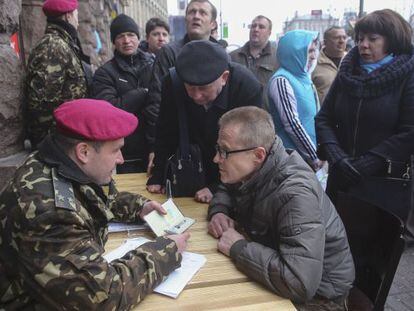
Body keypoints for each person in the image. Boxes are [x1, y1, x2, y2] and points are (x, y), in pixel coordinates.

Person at [0, 99, 190, 309]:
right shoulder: (50, 213)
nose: (121, 159)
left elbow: (92, 195)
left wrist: (139, 207)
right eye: (115, 150)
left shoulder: (55, 161)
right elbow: (104, 297)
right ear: (84, 152)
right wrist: (166, 251)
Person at [208, 106, 355, 310]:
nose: (217, 159)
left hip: (320, 300)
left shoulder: (295, 194)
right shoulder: (256, 167)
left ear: (258, 155)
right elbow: (227, 186)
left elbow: (299, 283)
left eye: (224, 151)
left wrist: (239, 247)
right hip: (282, 273)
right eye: (218, 149)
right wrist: (220, 211)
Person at [315, 9, 414, 240]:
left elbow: (410, 131)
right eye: (359, 39)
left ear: (392, 40)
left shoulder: (408, 74)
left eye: (372, 39)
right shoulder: (347, 72)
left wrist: (370, 161)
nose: (363, 45)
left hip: (384, 186)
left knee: (373, 262)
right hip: (343, 179)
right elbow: (324, 118)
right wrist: (337, 156)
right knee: (336, 253)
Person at [146, 40, 262, 203]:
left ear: (224, 78)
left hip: (232, 167)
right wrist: (158, 175)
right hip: (191, 165)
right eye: (190, 87)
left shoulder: (247, 87)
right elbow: (165, 130)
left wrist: (219, 188)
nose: (196, 95)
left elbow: (249, 149)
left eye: (203, 88)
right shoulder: (172, 83)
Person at [144, 0, 219, 174]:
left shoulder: (222, 55)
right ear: (185, 19)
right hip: (178, 143)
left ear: (213, 23)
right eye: (192, 12)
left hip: (213, 144)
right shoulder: (169, 53)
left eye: (202, 13)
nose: (196, 17)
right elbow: (156, 101)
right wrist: (155, 148)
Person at [93, 14, 153, 173]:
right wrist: (142, 93)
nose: (127, 41)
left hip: (155, 149)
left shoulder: (154, 66)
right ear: (113, 41)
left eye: (131, 35)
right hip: (126, 155)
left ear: (138, 38)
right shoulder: (104, 73)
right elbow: (108, 111)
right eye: (121, 36)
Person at [26, 0, 91, 148]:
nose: (78, 21)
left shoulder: (64, 44)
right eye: (76, 15)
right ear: (68, 16)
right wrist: (51, 144)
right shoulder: (53, 46)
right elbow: (42, 104)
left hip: (68, 138)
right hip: (58, 143)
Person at [268, 30, 322, 171]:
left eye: (314, 50)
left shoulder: (305, 78)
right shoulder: (281, 80)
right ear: (293, 52)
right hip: (290, 160)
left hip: (306, 159)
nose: (314, 55)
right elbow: (292, 124)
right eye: (309, 51)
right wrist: (314, 157)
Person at [230, 15, 278, 110]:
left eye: (261, 27)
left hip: (266, 116)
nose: (256, 29)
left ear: (269, 32)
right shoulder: (233, 57)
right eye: (253, 26)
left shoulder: (278, 57)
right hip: (239, 115)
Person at [312, 26, 347, 104]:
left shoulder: (353, 61)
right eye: (336, 38)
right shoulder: (313, 64)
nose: (341, 41)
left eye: (344, 38)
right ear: (325, 42)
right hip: (323, 114)